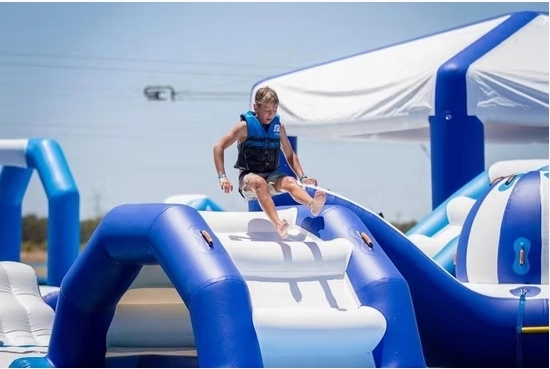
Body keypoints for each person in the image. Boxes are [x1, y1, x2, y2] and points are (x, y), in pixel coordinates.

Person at [213, 86, 326, 239]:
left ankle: (312, 204)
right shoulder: (244, 127)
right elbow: (218, 147)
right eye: (267, 110)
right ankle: (279, 224)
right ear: (256, 107)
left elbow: (290, 154)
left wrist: (303, 177)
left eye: (274, 110)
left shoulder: (278, 127)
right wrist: (222, 177)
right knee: (259, 182)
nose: (271, 114)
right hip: (249, 180)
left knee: (290, 181)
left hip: (271, 176)